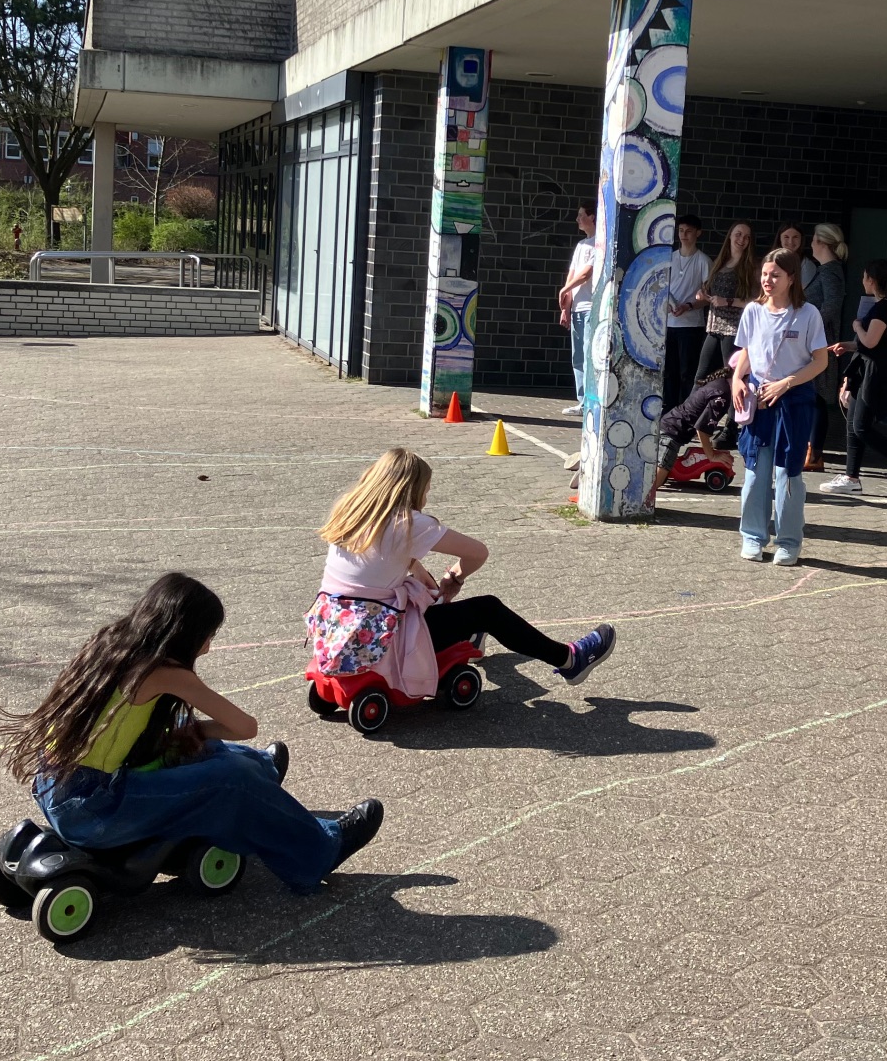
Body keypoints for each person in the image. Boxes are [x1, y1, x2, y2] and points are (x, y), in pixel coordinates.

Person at [0, 572, 385, 894]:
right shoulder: (163, 672)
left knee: (191, 743)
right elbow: (245, 726)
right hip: (96, 808)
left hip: (57, 787)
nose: (209, 647)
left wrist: (188, 733)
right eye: (208, 635)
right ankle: (320, 848)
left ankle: (262, 773)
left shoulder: (110, 643)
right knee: (231, 777)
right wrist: (197, 728)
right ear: (185, 632)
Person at [306, 448, 617, 693]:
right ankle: (570, 659)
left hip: (338, 628)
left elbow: (395, 562)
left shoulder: (351, 511)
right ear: (413, 490)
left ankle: (468, 634)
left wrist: (432, 585)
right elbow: (477, 553)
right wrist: (455, 577)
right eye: (426, 490)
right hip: (381, 640)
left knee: (431, 599)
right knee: (488, 609)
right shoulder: (410, 524)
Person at [731, 249, 832, 565]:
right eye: (764, 274)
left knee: (788, 473)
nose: (768, 280)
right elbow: (747, 351)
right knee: (755, 471)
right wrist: (736, 379)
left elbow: (820, 361)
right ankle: (753, 537)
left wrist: (786, 383)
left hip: (794, 402)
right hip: (760, 400)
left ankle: (788, 542)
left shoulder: (808, 314)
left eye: (775, 275)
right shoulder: (753, 311)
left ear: (791, 278)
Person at [820, 260, 887, 500]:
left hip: (876, 373)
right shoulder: (884, 307)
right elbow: (874, 343)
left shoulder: (883, 309)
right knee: (852, 424)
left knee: (861, 426)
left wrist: (857, 325)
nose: (863, 281)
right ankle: (851, 479)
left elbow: (870, 341)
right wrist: (847, 346)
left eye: (865, 276)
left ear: (872, 280)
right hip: (867, 369)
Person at [650, 362, 734, 498]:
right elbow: (702, 429)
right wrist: (711, 455)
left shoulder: (721, 384)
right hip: (671, 433)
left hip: (671, 426)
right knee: (653, 485)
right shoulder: (722, 395)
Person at [803, 223, 848, 472]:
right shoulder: (826, 270)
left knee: (817, 396)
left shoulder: (831, 271)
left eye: (813, 239)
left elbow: (832, 304)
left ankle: (815, 453)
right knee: (813, 395)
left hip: (821, 341)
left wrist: (811, 327)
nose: (810, 243)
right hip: (817, 339)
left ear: (822, 242)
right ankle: (812, 450)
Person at [694, 222, 756, 382]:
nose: (742, 239)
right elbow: (709, 290)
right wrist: (703, 293)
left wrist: (727, 301)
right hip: (714, 328)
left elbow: (755, 301)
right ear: (730, 236)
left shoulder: (750, 268)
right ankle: (693, 400)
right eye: (738, 234)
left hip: (734, 330)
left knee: (731, 378)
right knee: (701, 376)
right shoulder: (720, 262)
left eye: (747, 237)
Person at [663, 213, 712, 412]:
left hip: (691, 325)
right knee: (669, 371)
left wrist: (689, 306)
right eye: (681, 231)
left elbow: (707, 296)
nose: (684, 235)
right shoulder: (670, 258)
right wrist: (667, 304)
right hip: (668, 324)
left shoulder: (703, 261)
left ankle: (685, 411)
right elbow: (661, 287)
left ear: (698, 233)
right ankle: (668, 411)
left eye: (689, 231)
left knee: (687, 372)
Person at [558, 203, 597, 415]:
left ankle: (590, 402)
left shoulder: (599, 244)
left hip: (591, 307)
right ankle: (582, 401)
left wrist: (565, 289)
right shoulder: (581, 245)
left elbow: (585, 274)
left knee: (589, 355)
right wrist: (566, 307)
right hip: (577, 309)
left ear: (592, 217)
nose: (577, 219)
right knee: (578, 357)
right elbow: (572, 275)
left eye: (581, 215)